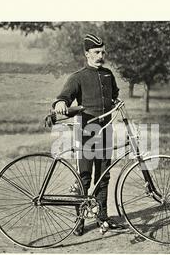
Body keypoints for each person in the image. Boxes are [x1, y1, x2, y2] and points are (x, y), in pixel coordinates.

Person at [53, 33, 124, 235]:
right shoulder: (78, 77)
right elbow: (64, 97)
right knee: (84, 177)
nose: (101, 56)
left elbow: (114, 95)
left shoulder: (108, 74)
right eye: (96, 52)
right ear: (87, 54)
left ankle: (102, 217)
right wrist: (60, 103)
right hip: (86, 132)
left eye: (103, 52)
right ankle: (79, 221)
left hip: (106, 131)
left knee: (104, 176)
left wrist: (115, 102)